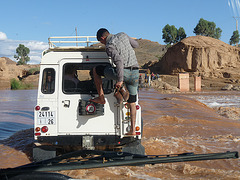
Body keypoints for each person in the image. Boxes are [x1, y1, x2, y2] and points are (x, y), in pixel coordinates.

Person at [90, 28, 139, 136]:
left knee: (96, 70)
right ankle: (133, 130)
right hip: (135, 72)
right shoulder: (123, 34)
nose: (102, 44)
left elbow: (119, 61)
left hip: (124, 72)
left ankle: (101, 97)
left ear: (102, 38)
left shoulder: (109, 46)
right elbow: (136, 45)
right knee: (132, 102)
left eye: (101, 42)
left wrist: (120, 80)